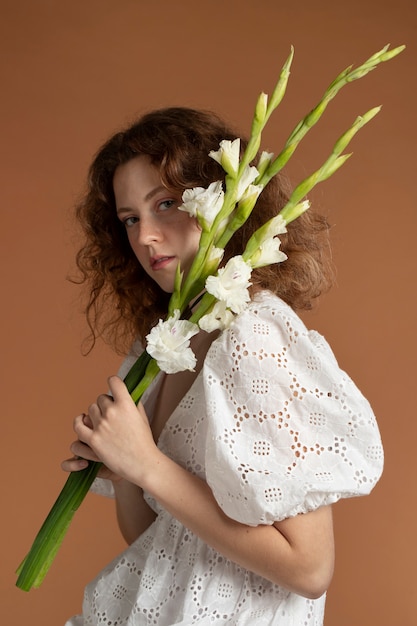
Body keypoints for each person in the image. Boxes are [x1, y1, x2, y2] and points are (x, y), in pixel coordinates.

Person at [62, 107, 383, 625]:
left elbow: (309, 568)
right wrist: (124, 470)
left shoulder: (255, 336)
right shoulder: (166, 346)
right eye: (130, 219)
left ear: (224, 201)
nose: (145, 236)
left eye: (166, 203)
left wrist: (148, 464)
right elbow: (159, 542)